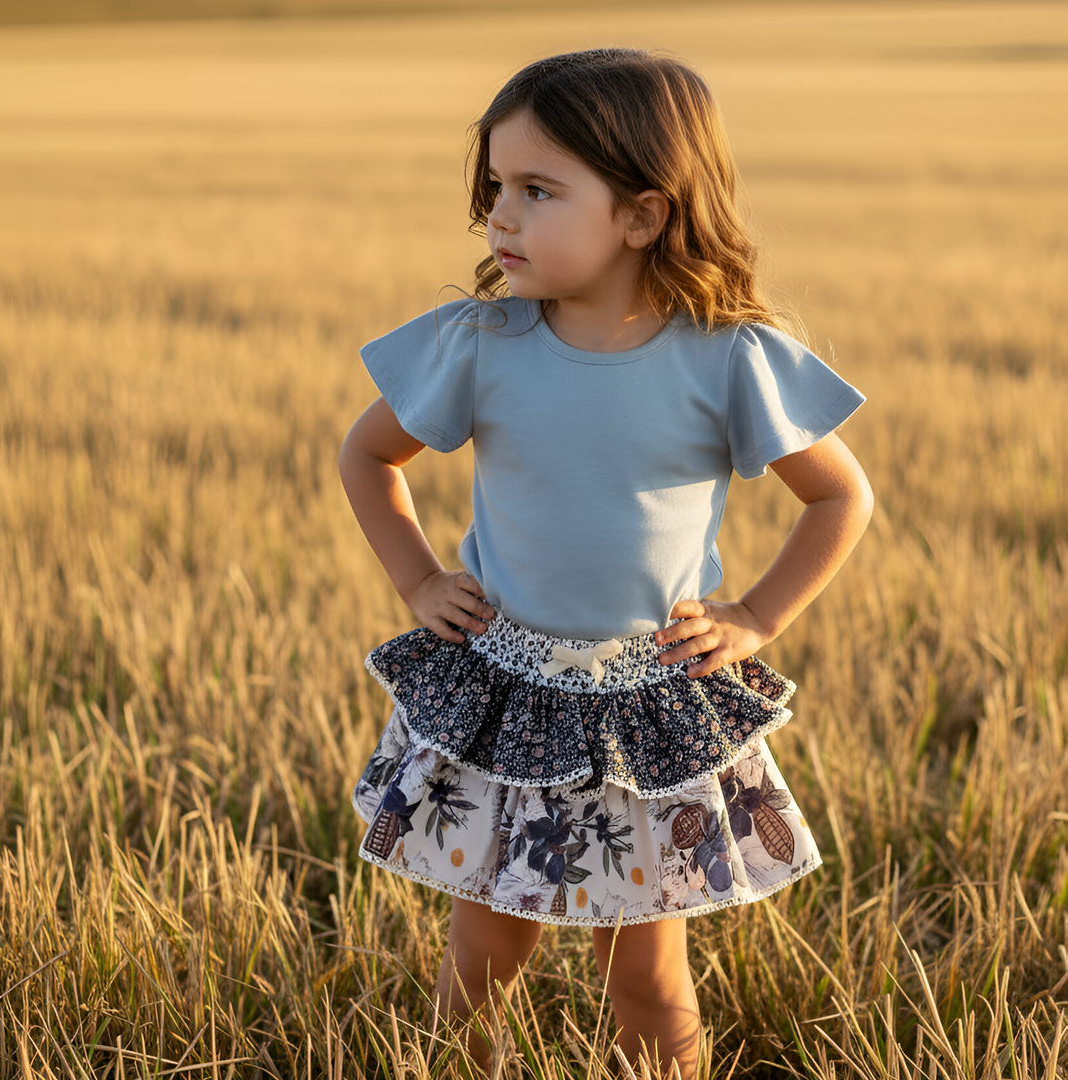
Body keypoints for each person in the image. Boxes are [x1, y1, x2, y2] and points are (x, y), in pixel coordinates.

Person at [340, 48, 873, 1079]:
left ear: (643, 214)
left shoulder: (727, 356)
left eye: (538, 190)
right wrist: (416, 580)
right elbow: (368, 455)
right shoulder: (480, 341)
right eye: (496, 187)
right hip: (509, 690)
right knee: (483, 955)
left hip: (647, 708)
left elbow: (840, 495)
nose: (500, 216)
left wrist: (758, 616)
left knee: (646, 977)